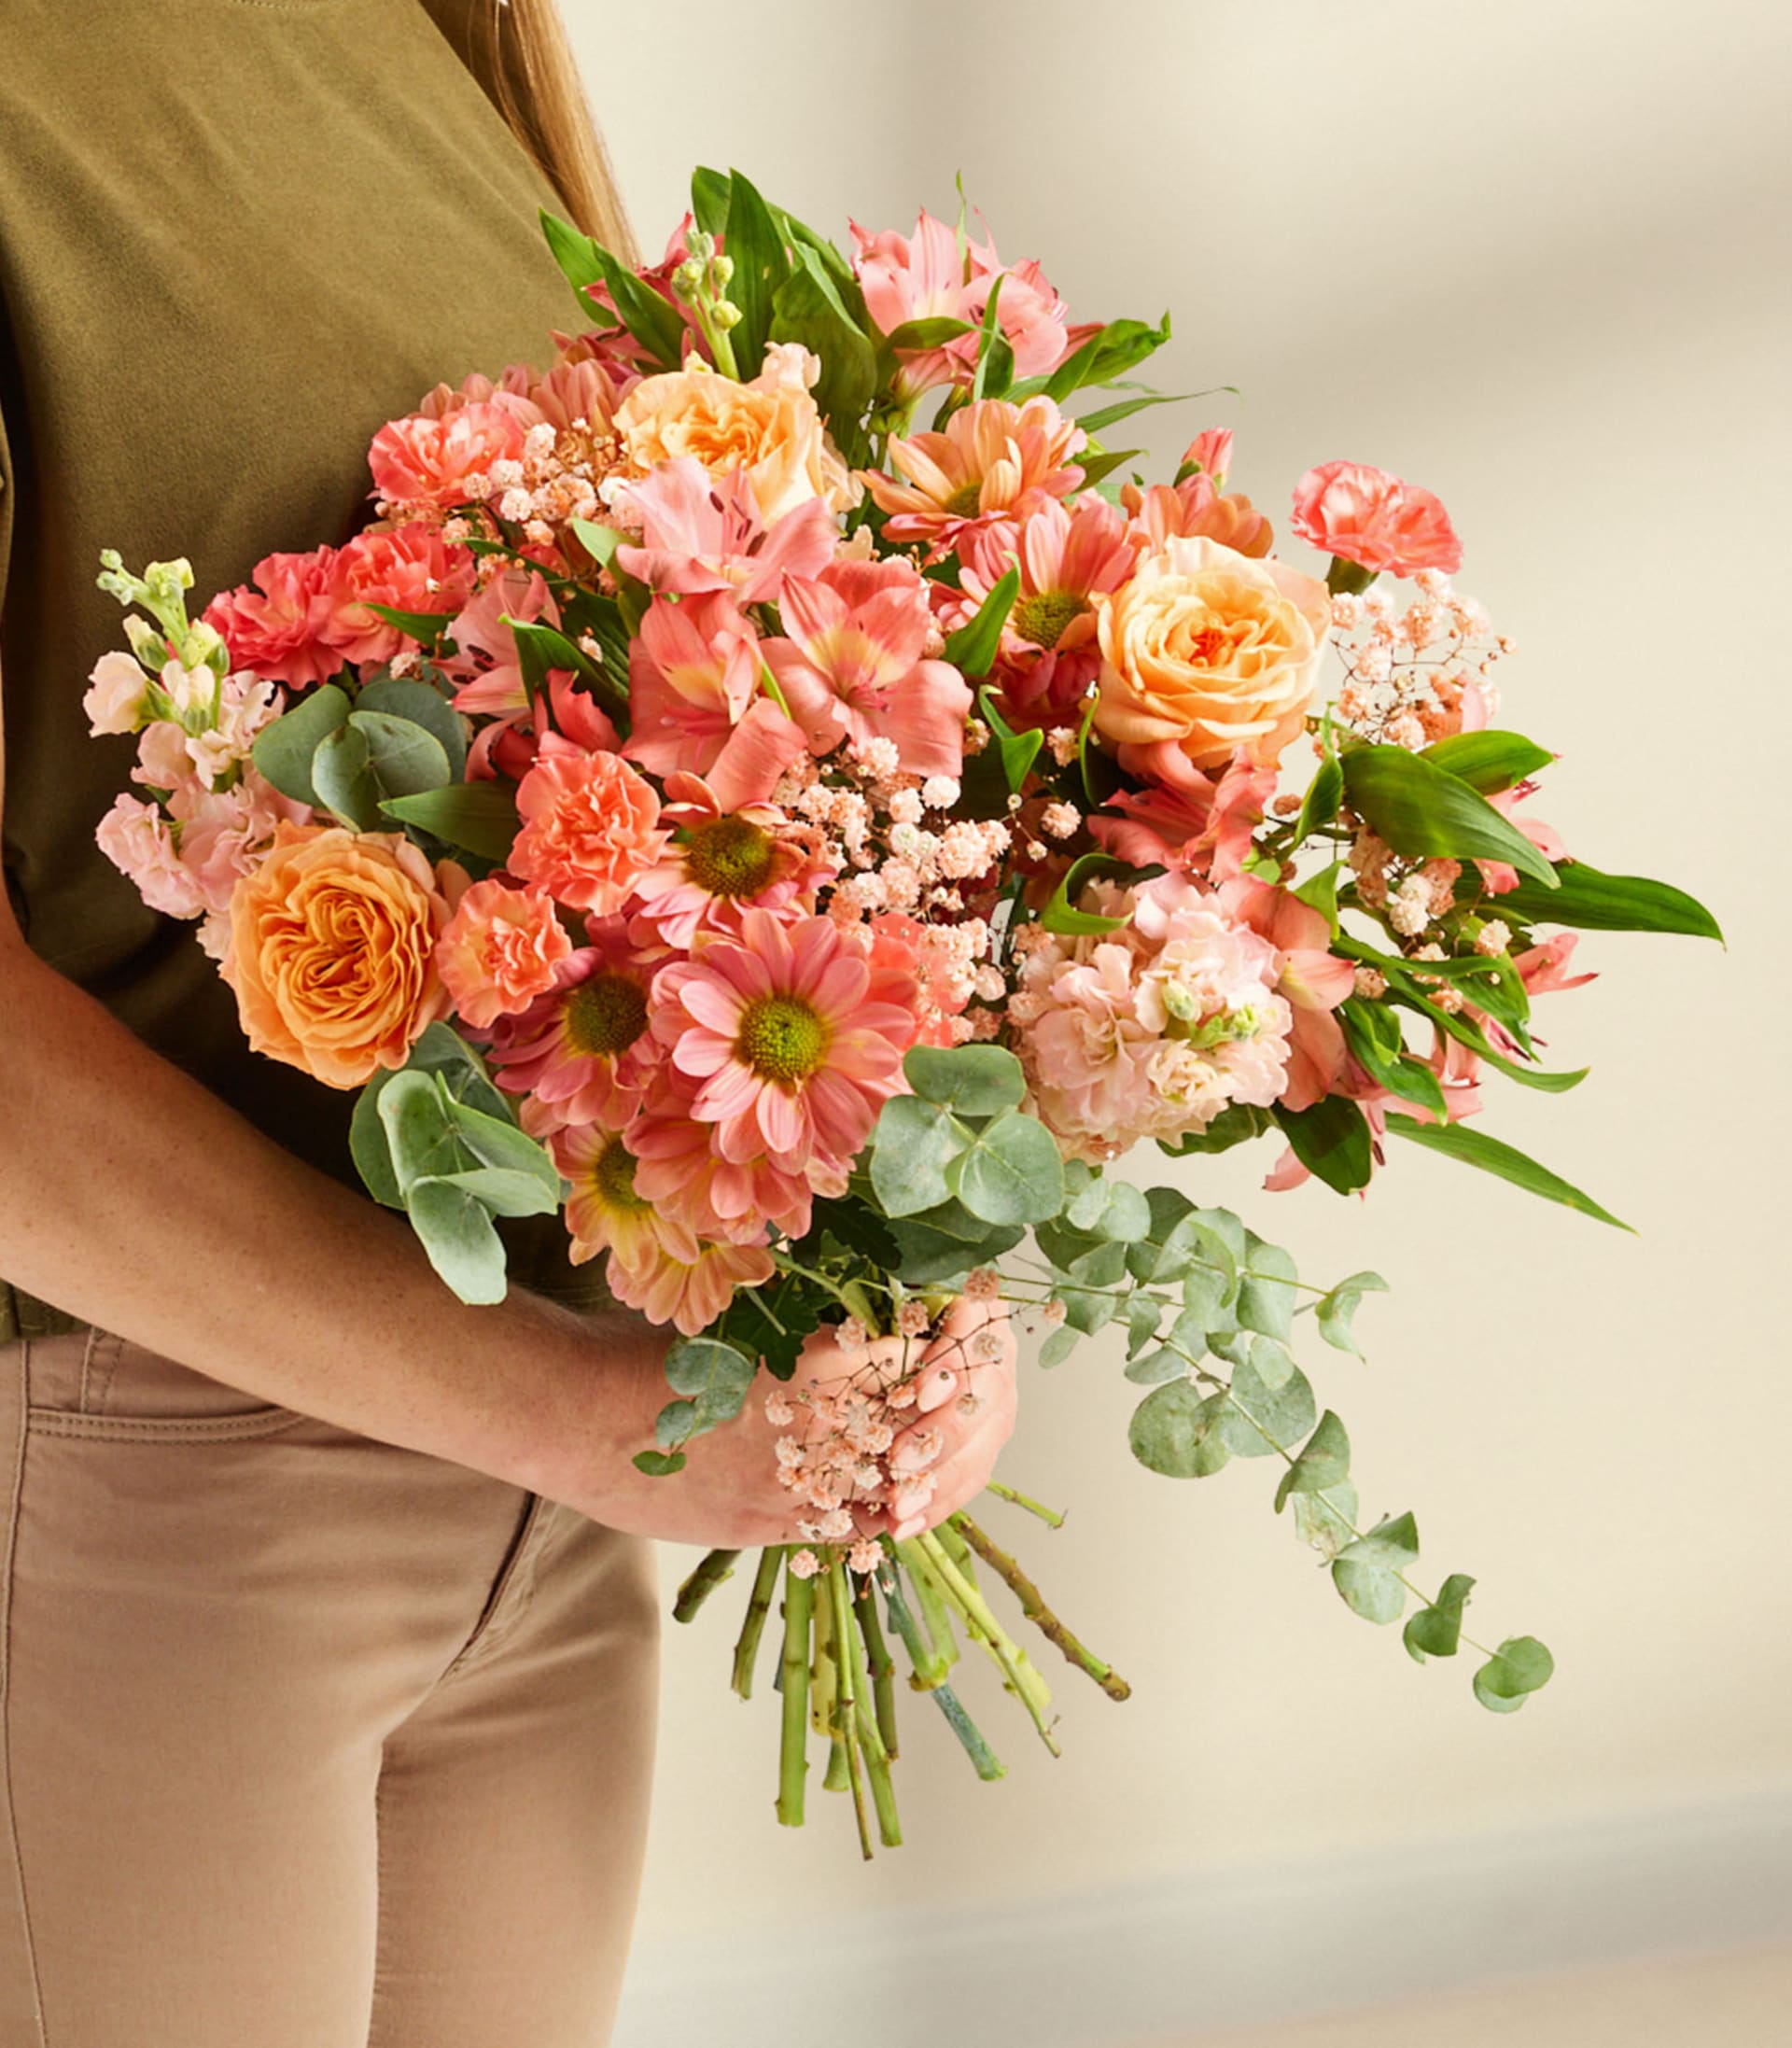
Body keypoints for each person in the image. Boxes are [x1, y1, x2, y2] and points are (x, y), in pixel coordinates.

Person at [0, 5, 1015, 2043]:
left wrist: (879, 1261)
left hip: (536, 1502)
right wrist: (590, 1417)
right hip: (140, 1487)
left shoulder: (410, 28)